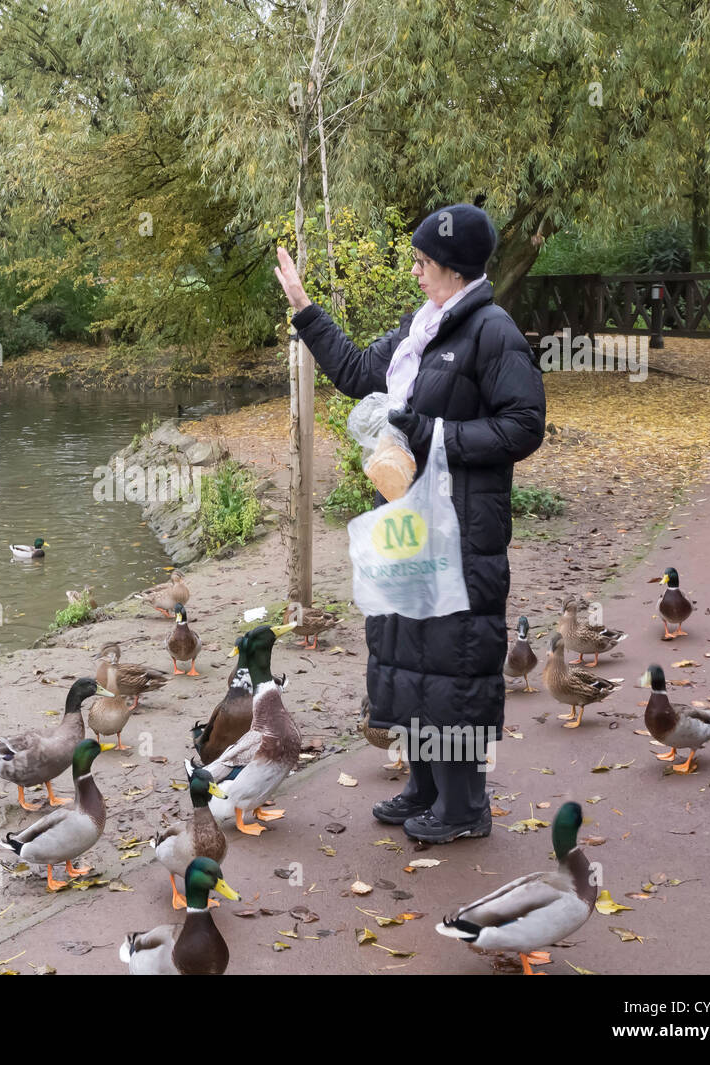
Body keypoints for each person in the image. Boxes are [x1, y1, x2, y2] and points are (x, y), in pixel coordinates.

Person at [274, 203, 546, 843]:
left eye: (424, 263)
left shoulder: (492, 331)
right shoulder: (421, 327)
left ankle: (464, 805)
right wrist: (305, 308)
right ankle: (424, 784)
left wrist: (434, 433)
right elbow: (359, 373)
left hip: (461, 527)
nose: (417, 273)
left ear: (453, 268)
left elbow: (523, 426)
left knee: (454, 655)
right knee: (409, 649)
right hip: (407, 520)